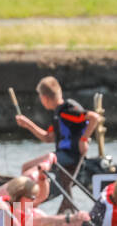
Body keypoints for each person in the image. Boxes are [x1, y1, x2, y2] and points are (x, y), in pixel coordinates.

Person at [14, 77, 102, 212]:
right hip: (62, 155)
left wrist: (83, 140)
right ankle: (52, 207)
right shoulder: (58, 114)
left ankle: (24, 207)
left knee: (27, 168)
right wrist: (28, 124)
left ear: (44, 98)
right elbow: (47, 137)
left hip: (70, 155)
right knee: (31, 169)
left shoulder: (67, 109)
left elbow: (94, 117)